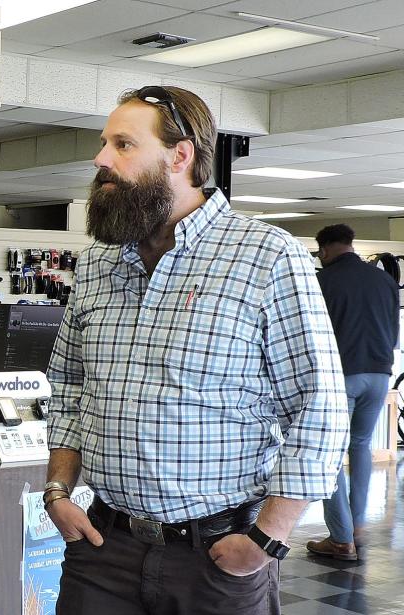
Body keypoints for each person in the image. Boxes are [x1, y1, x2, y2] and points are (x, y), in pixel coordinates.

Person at [42, 85, 349, 615]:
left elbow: (319, 406)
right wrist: (57, 492)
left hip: (215, 554)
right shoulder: (96, 264)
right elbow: (69, 384)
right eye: (104, 143)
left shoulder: (266, 257)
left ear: (179, 156)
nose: (100, 159)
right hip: (102, 548)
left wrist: (267, 539)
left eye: (122, 145)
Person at [306, 224, 399, 560]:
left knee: (330, 454)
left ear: (325, 248)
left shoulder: (323, 282)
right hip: (378, 374)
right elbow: (392, 334)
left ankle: (340, 538)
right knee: (360, 446)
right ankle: (356, 525)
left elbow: (311, 336)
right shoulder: (385, 281)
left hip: (340, 377)